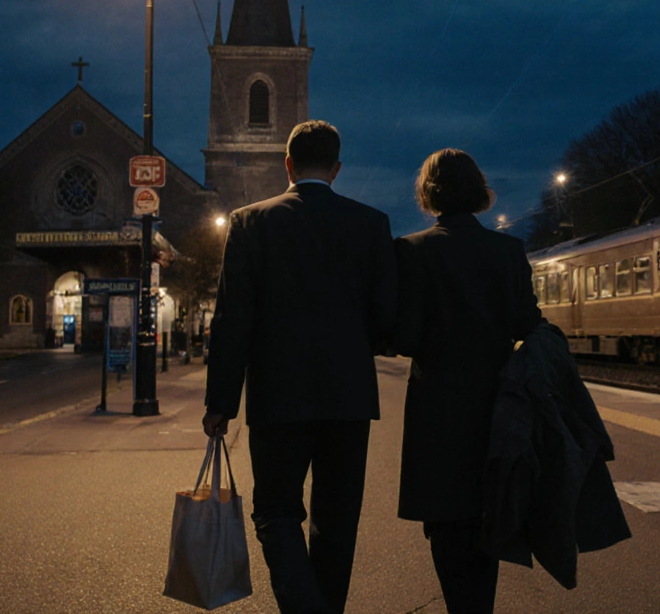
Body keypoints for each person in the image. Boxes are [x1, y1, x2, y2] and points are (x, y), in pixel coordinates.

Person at [202, 120, 397, 614]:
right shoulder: (371, 224)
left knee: (275, 511)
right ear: (336, 168)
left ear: (286, 164)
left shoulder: (248, 223)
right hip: (349, 398)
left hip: (277, 397)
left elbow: (231, 321)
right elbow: (386, 318)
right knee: (337, 519)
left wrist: (220, 404)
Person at [392, 149, 543, 614]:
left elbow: (404, 336)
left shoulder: (412, 251)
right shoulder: (508, 250)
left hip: (437, 407)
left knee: (446, 522)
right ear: (479, 191)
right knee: (487, 512)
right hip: (497, 405)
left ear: (429, 194)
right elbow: (527, 324)